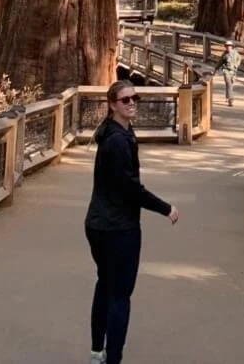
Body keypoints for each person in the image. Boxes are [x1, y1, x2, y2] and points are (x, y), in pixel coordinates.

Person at [85, 79, 180, 364]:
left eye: (134, 98)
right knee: (119, 295)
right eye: (125, 100)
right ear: (112, 104)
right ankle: (112, 357)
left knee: (105, 284)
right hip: (118, 228)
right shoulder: (116, 140)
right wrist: (166, 208)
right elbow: (130, 188)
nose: (131, 104)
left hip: (98, 224)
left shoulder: (117, 133)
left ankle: (96, 351)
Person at [217, 39, 240, 106]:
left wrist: (237, 65)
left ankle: (227, 96)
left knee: (230, 85)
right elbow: (220, 62)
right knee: (229, 84)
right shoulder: (224, 54)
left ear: (232, 46)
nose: (228, 47)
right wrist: (216, 69)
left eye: (229, 46)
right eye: (227, 46)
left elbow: (239, 59)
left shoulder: (235, 53)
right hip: (226, 71)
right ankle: (231, 100)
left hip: (233, 71)